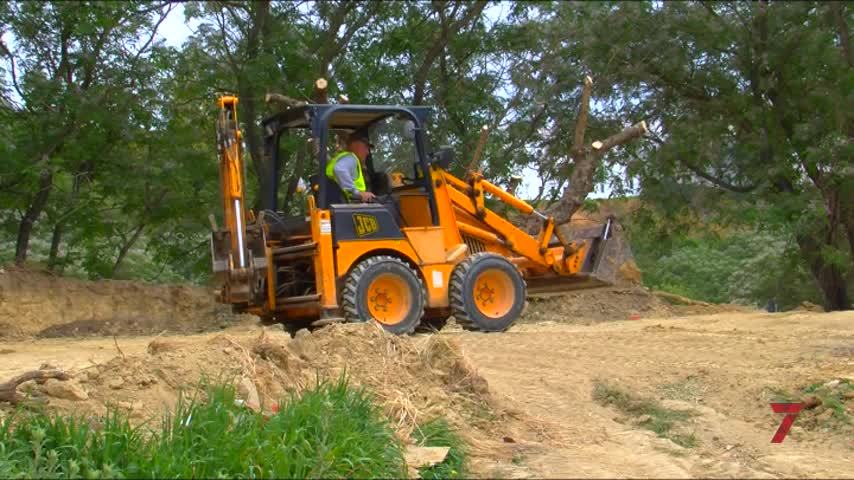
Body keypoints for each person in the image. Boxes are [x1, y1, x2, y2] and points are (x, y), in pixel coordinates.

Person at [326, 130, 377, 203]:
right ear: (355, 145)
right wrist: (356, 193)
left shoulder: (339, 158)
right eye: (366, 147)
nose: (367, 152)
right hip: (348, 208)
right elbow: (339, 169)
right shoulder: (351, 158)